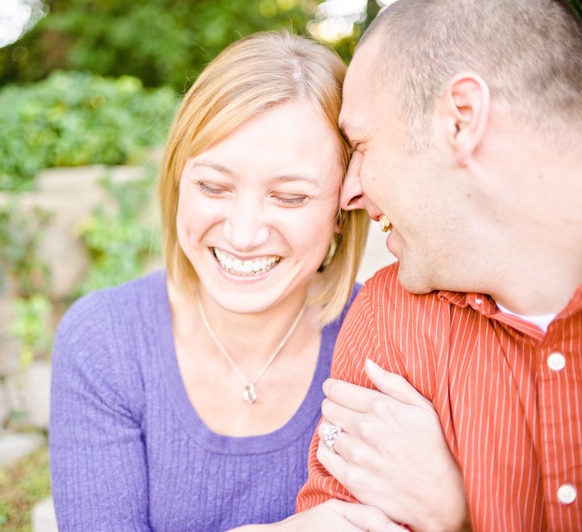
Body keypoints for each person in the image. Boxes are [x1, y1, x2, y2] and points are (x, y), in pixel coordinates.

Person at [49, 31, 458, 530]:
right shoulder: (104, 339)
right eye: (213, 186)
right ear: (178, 180)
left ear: (341, 206)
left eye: (289, 197)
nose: (243, 235)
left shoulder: (392, 346)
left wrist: (455, 514)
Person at [246, 0, 582, 530]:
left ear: (461, 119)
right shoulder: (392, 321)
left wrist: (459, 519)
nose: (349, 192)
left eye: (360, 143)